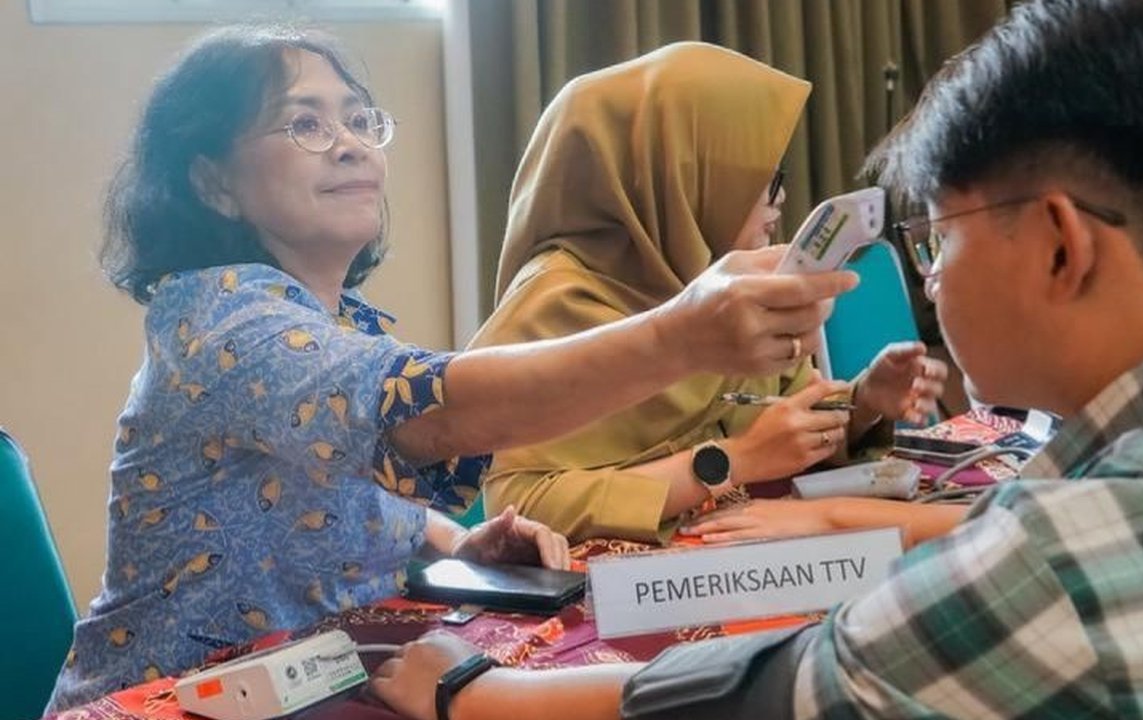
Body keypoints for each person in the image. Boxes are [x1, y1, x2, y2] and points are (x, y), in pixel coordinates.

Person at [370, 0, 1143, 717]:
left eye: (939, 238)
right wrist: (741, 459)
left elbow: (794, 684)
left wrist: (848, 414)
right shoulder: (572, 307)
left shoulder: (1056, 561)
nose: (930, 274)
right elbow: (520, 495)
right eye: (758, 183)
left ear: (1058, 247)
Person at [45, 27, 855, 711]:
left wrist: (463, 544)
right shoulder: (221, 320)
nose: (350, 143)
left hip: (311, 681)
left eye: (358, 119)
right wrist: (682, 336)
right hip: (177, 699)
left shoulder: (329, 322)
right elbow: (433, 415)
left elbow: (334, 496)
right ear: (213, 183)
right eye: (304, 125)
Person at [469, 42, 949, 544]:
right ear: (681, 179)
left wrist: (864, 401)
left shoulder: (722, 280)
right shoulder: (554, 305)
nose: (780, 198)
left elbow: (787, 422)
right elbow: (518, 507)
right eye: (763, 180)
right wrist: (730, 462)